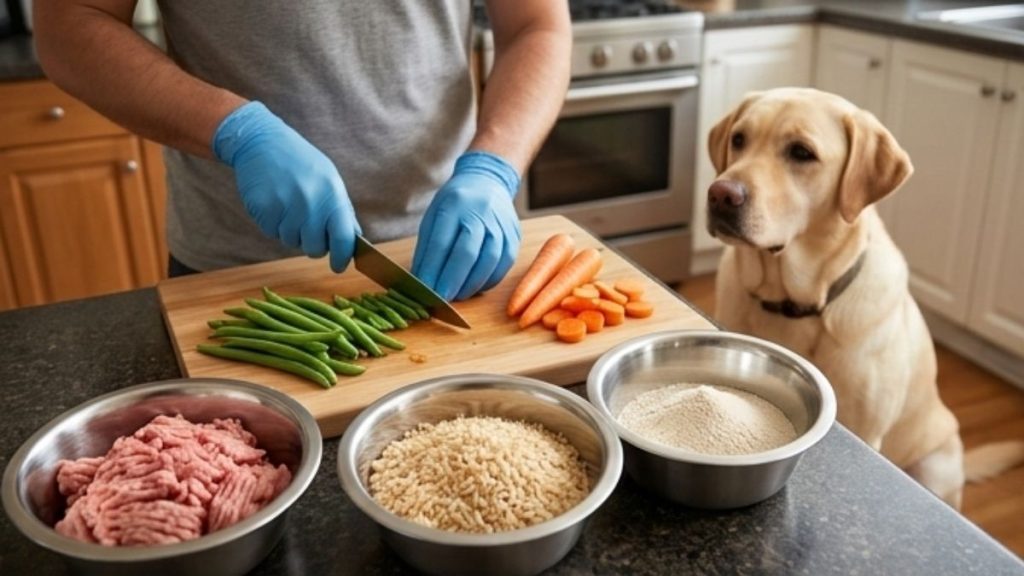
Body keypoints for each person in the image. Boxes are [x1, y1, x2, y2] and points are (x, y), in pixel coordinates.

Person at [34, 1, 571, 301]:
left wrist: (492, 167)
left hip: (450, 255)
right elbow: (69, 25)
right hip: (242, 273)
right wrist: (235, 131)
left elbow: (537, 26)